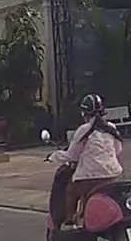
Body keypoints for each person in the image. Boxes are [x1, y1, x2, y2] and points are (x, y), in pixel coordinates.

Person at [53, 94, 124, 227]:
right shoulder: (111, 128)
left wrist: (54, 156)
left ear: (84, 113)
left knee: (70, 190)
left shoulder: (84, 130)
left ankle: (69, 221)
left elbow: (72, 156)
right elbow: (118, 150)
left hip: (90, 178)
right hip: (113, 175)